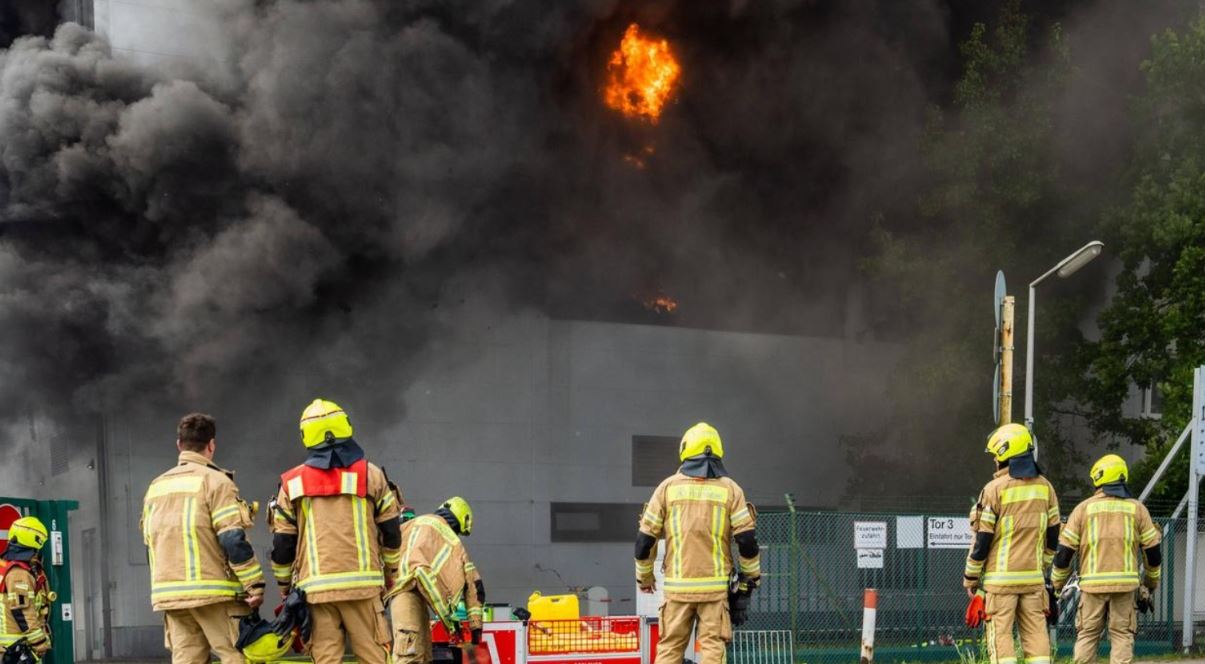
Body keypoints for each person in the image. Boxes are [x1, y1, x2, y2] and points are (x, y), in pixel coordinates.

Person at [268, 399, 402, 664]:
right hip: (363, 589)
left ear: (306, 435)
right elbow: (392, 532)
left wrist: (285, 587)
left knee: (326, 659)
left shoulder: (292, 483)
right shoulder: (371, 474)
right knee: (374, 657)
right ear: (345, 426)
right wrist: (391, 574)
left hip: (316, 593)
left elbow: (283, 544)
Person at [142, 413, 265, 664]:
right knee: (237, 656)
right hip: (215, 595)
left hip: (171, 597)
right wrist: (255, 584)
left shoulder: (155, 488)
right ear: (211, 445)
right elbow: (232, 538)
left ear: (179, 445)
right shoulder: (216, 482)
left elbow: (149, 543)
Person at [635, 422, 760, 664]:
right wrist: (750, 579)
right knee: (712, 648)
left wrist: (645, 578)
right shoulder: (731, 490)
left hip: (677, 590)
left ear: (685, 449)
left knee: (670, 648)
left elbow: (644, 542)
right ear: (718, 450)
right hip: (714, 593)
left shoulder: (666, 488)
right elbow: (747, 541)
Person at [963, 423, 1061, 664]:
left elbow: (982, 541)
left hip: (1000, 583)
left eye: (996, 456)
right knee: (1037, 636)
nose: (994, 461)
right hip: (1033, 581)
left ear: (1004, 453)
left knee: (1001, 637)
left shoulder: (994, 489)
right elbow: (1053, 535)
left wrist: (971, 579)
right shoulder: (1046, 488)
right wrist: (1043, 567)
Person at [1051, 454, 1161, 664]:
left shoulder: (1083, 509)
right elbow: (1153, 554)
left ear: (1098, 479)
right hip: (1125, 588)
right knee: (1122, 635)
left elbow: (1064, 554)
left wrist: (1057, 585)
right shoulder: (1137, 509)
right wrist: (1149, 585)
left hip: (1092, 589)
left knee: (1087, 635)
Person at [386, 497, 484, 664]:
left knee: (422, 656)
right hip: (407, 595)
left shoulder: (410, 524)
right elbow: (475, 586)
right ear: (460, 520)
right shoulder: (453, 541)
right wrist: (475, 627)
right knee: (409, 657)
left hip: (405, 593)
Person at [0, 517, 53, 663]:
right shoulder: (19, 573)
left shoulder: (5, 566)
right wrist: (39, 642)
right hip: (17, 648)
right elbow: (22, 611)